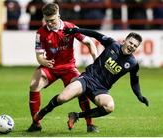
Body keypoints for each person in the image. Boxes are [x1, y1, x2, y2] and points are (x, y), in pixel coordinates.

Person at [31, 27, 149, 132]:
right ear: (125, 40)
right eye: (131, 43)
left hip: (101, 89)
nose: (131, 46)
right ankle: (42, 113)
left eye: (135, 46)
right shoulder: (112, 44)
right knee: (62, 98)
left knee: (109, 106)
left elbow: (134, 82)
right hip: (87, 79)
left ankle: (76, 115)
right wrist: (77, 31)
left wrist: (139, 96)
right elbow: (95, 34)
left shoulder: (133, 63)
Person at [27, 3, 98, 132]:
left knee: (81, 89)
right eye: (47, 20)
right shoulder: (40, 33)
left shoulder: (70, 28)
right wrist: (44, 61)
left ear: (58, 15)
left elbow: (89, 42)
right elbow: (39, 56)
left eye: (52, 20)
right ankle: (36, 123)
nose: (49, 23)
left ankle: (90, 124)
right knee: (33, 85)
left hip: (69, 68)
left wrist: (96, 61)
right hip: (51, 67)